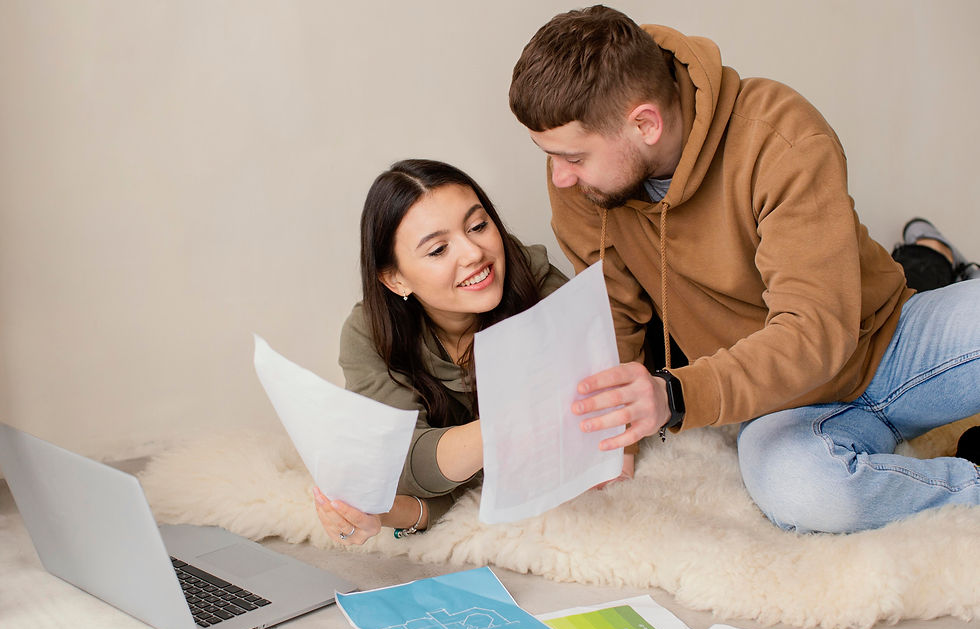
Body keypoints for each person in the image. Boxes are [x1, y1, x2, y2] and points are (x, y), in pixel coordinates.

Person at [508, 5, 980, 533]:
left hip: (894, 341)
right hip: (782, 407)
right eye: (548, 154)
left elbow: (816, 331)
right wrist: (609, 435)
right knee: (807, 493)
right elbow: (613, 310)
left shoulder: (776, 132)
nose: (560, 176)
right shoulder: (585, 184)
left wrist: (677, 394)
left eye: (572, 156)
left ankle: (933, 259)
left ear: (644, 123)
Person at [313, 158, 624, 546]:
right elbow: (401, 461)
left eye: (478, 226)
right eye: (439, 249)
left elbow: (580, 421)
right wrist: (380, 511)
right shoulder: (369, 333)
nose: (474, 253)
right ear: (395, 278)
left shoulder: (536, 284)